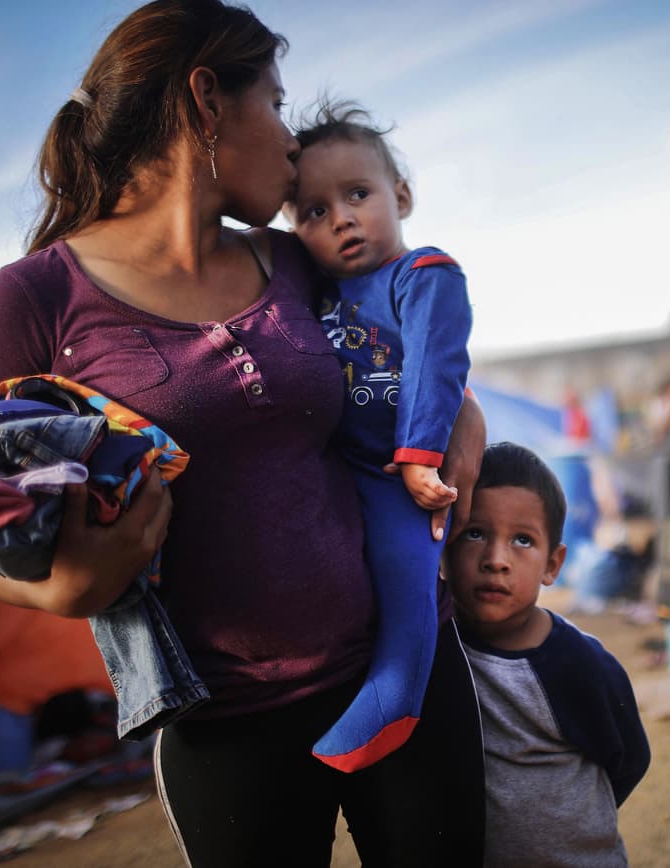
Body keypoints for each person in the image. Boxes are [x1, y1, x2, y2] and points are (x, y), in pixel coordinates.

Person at [0, 2, 485, 865]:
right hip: (223, 721)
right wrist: (63, 589)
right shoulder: (33, 302)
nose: (289, 139)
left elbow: (401, 345)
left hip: (403, 664)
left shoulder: (292, 260)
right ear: (207, 100)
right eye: (273, 103)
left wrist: (465, 412)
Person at [282, 101, 472, 770]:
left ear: (402, 195)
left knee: (406, 576)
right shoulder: (317, 295)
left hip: (398, 476)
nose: (341, 218)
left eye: (357, 194)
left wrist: (419, 459)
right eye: (313, 211)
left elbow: (434, 365)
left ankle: (398, 695)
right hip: (339, 469)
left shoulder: (423, 276)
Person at [445, 442, 651, 867]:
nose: (496, 560)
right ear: (444, 547)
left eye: (522, 540)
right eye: (475, 533)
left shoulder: (579, 664)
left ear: (553, 565)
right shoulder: (436, 645)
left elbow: (628, 759)